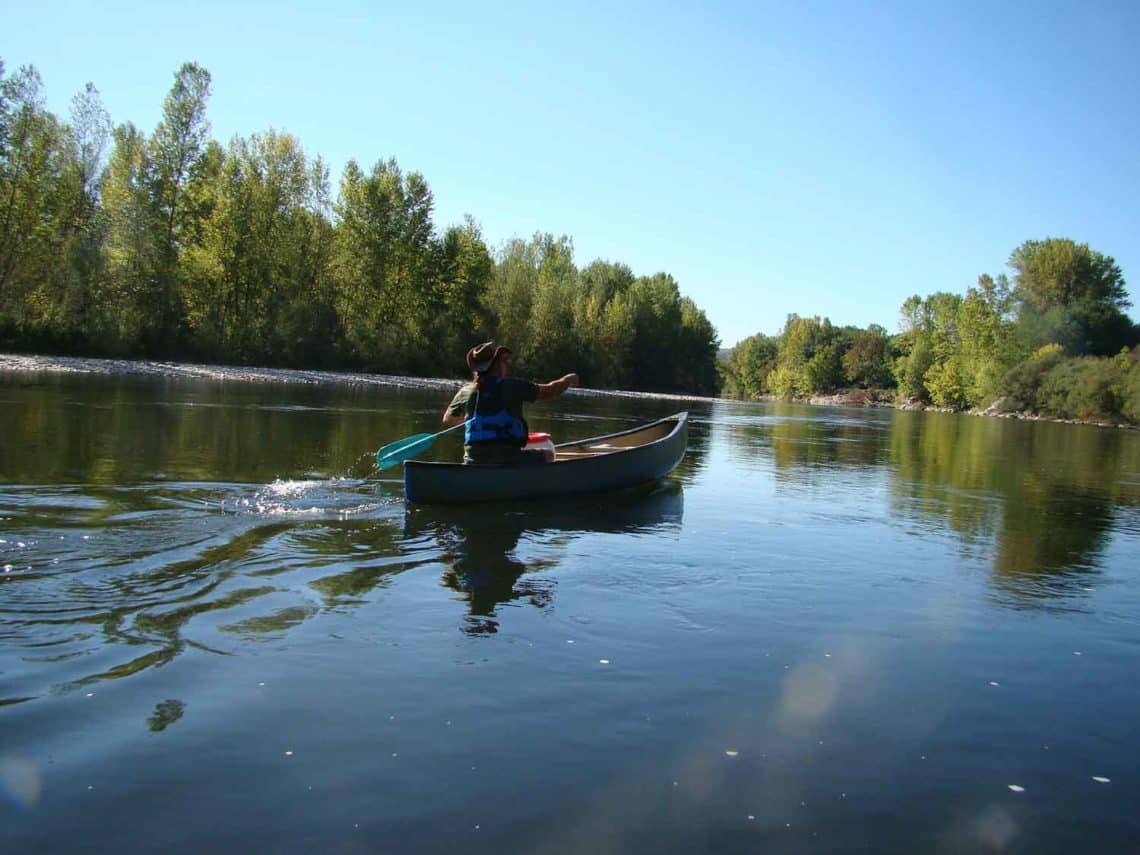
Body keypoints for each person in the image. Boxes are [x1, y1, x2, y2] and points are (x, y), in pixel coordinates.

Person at [442, 341, 578, 465]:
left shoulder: (466, 391)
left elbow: (448, 418)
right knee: (549, 454)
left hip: (472, 460)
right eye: (504, 361)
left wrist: (477, 421)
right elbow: (549, 391)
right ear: (496, 365)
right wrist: (567, 380)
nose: (506, 365)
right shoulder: (512, 386)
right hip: (508, 459)